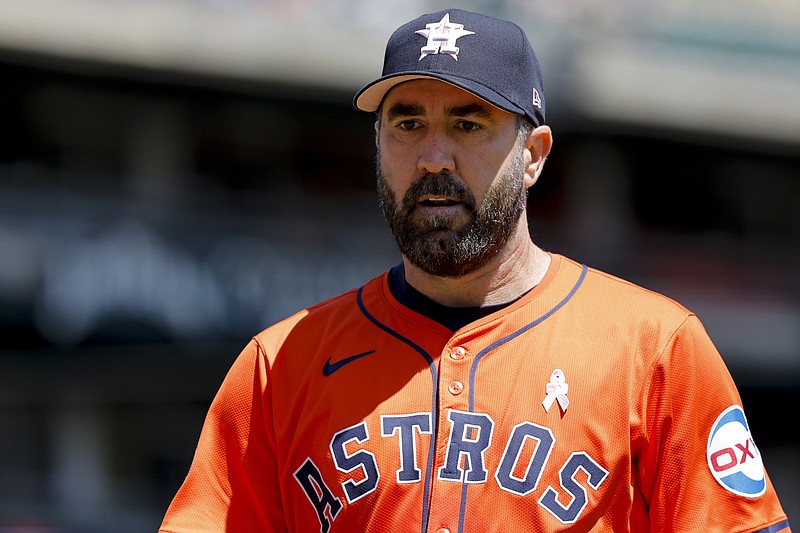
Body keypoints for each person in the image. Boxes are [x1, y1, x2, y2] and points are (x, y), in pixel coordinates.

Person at [159, 8, 791, 533]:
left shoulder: (656, 349)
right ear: (378, 147)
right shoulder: (280, 365)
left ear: (534, 155)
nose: (435, 157)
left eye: (469, 123)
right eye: (408, 124)